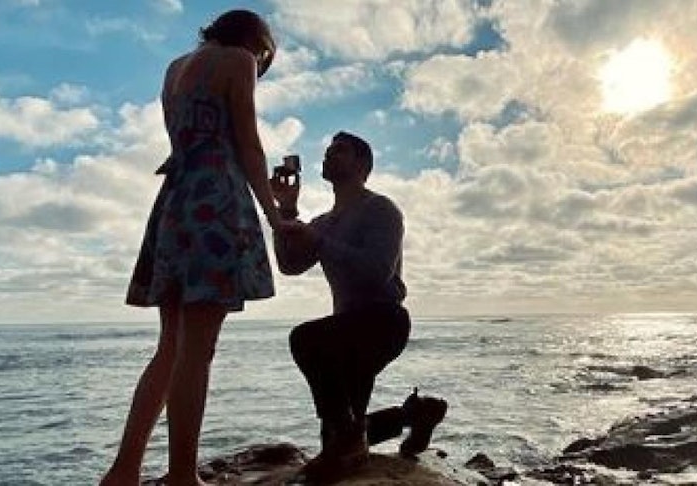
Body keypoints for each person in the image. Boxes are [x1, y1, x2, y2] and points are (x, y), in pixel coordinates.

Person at [101, 10, 282, 486]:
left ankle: (123, 471)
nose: (261, 61)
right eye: (265, 53)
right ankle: (182, 475)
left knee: (170, 348)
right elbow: (248, 143)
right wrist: (274, 213)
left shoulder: (174, 68)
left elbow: (183, 140)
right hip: (214, 200)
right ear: (255, 40)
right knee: (197, 349)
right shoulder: (239, 60)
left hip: (176, 201)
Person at [272, 131, 448, 481]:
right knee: (336, 439)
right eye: (327, 150)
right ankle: (415, 415)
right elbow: (289, 265)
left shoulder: (381, 209)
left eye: (340, 150)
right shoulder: (323, 222)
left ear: (363, 165)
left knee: (305, 339)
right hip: (344, 331)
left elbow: (376, 271)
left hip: (383, 322)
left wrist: (319, 241)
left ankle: (353, 439)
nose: (329, 154)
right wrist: (286, 209)